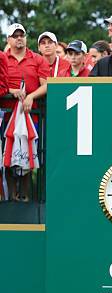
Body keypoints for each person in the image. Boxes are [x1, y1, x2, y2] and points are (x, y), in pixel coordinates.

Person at [2, 23, 48, 202]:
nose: (19, 38)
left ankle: (26, 198)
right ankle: (10, 199)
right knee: (7, 158)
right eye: (15, 35)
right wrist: (12, 91)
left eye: (22, 35)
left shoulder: (37, 59)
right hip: (6, 117)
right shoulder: (2, 58)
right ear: (8, 40)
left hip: (32, 116)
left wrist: (31, 96)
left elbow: (46, 85)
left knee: (29, 156)